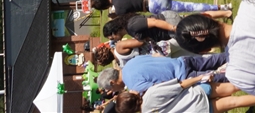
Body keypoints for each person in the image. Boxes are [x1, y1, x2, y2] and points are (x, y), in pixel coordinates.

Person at [97, 52, 229, 95]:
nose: (113, 91)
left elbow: (160, 88)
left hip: (184, 78)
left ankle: (239, 73)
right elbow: (155, 56)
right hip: (181, 61)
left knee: (221, 78)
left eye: (111, 89)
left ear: (112, 82)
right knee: (216, 59)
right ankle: (235, 53)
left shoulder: (134, 86)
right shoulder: (130, 62)